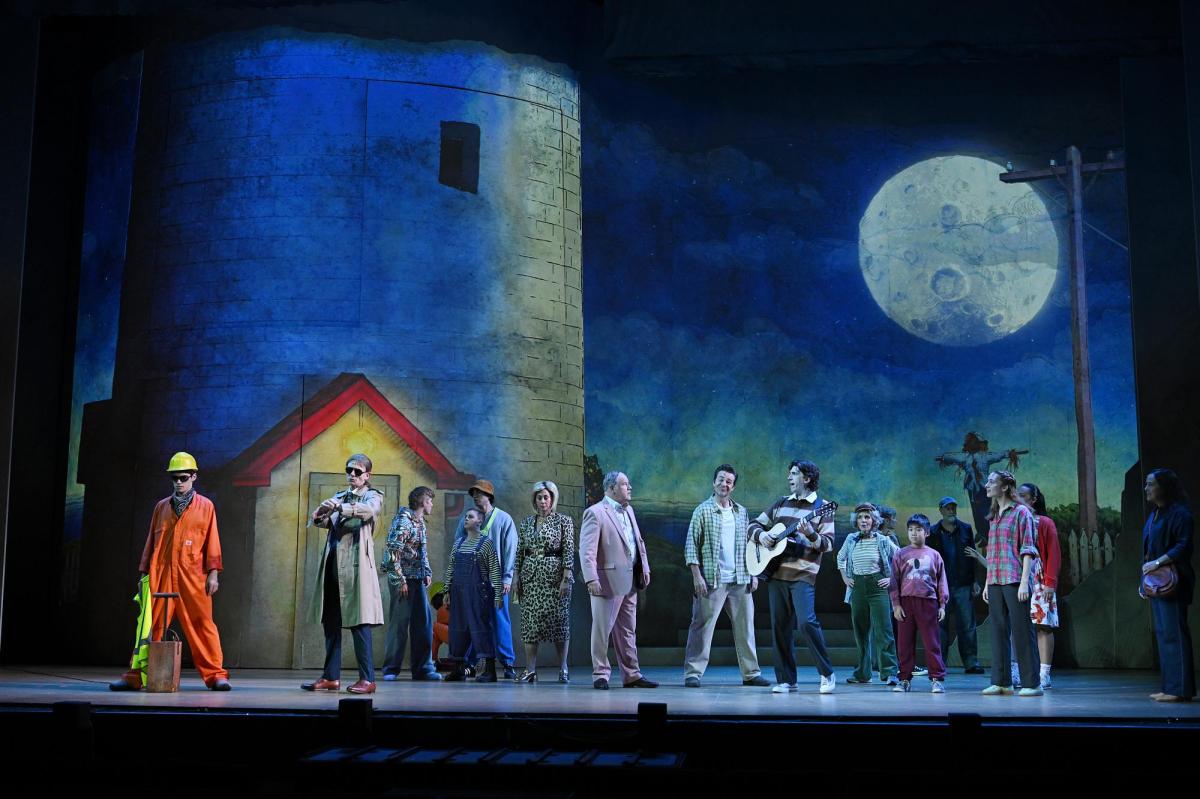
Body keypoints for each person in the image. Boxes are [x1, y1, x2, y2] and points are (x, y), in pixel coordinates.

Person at [110, 452, 231, 691]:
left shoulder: (206, 506)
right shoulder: (161, 507)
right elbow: (150, 542)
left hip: (193, 574)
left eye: (183, 477)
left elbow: (212, 541)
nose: (178, 482)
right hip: (161, 573)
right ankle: (136, 674)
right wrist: (144, 572)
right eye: (174, 478)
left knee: (201, 624)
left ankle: (215, 675)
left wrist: (213, 573)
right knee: (149, 625)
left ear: (194, 477)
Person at [747, 459, 837, 694]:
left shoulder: (822, 507)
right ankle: (787, 679)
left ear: (807, 479)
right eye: (789, 473)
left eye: (794, 474)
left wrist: (810, 534)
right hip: (776, 573)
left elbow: (827, 545)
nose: (789, 478)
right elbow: (753, 525)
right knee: (780, 627)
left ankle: (827, 673)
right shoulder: (780, 504)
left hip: (803, 574)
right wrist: (761, 537)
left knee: (806, 622)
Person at [302, 454, 386, 694]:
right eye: (349, 470)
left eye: (357, 472)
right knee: (331, 620)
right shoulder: (339, 496)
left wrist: (341, 507)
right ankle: (330, 677)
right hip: (334, 563)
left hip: (357, 567)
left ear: (367, 475)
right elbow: (324, 522)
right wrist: (320, 515)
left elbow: (368, 512)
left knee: (360, 622)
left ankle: (367, 679)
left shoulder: (373, 496)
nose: (352, 475)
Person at [682, 464, 768, 688]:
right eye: (721, 479)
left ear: (733, 486)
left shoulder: (741, 512)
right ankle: (693, 672)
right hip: (713, 579)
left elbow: (749, 545)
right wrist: (696, 576)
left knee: (746, 627)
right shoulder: (702, 510)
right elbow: (692, 545)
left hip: (740, 579)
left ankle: (751, 673)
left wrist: (753, 573)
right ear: (714, 482)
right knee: (701, 626)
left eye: (729, 481)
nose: (724, 484)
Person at [579, 471, 657, 689]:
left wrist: (645, 568)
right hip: (606, 581)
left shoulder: (629, 510)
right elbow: (587, 551)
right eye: (625, 484)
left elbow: (637, 542)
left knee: (627, 630)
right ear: (611, 488)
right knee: (603, 629)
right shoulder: (595, 513)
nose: (629, 487)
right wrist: (591, 579)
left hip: (630, 580)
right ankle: (600, 674)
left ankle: (632, 674)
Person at [979, 470, 1041, 696]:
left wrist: (1025, 582)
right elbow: (994, 553)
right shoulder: (994, 515)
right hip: (995, 579)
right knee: (998, 631)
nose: (987, 485)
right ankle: (1001, 681)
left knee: (1023, 631)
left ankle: (1032, 683)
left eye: (992, 482)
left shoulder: (1021, 512)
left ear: (1005, 487)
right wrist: (987, 582)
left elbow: (1028, 549)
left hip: (1015, 579)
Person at [454, 479, 518, 679]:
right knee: (474, 623)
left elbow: (510, 550)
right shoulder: (468, 518)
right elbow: (458, 545)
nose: (475, 496)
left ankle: (508, 664)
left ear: (489, 496)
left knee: (500, 621)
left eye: (479, 493)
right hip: (473, 582)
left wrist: (507, 578)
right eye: (473, 493)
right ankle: (471, 663)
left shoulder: (503, 519)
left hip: (496, 581)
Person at [1141, 468, 1195, 702]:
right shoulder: (1155, 515)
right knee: (1164, 634)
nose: (1147, 489)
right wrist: (1144, 581)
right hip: (1157, 583)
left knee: (1175, 634)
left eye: (1151, 484)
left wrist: (1158, 562)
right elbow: (1148, 552)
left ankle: (1180, 688)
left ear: (1164, 487)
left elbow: (1183, 545)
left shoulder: (1180, 513)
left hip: (1174, 580)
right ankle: (1169, 686)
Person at [514, 480, 576, 684]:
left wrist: (566, 579)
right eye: (539, 497)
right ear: (534, 500)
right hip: (530, 578)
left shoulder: (563, 521)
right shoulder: (525, 523)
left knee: (560, 623)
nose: (542, 501)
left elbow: (568, 551)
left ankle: (563, 667)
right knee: (530, 624)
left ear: (552, 499)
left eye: (546, 497)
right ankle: (530, 670)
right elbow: (519, 551)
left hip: (555, 578)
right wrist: (516, 576)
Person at [380, 486, 443, 682]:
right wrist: (400, 580)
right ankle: (391, 668)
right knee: (399, 624)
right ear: (423, 502)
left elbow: (421, 551)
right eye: (430, 501)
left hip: (416, 579)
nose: (432, 504)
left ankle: (423, 669)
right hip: (403, 580)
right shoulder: (403, 522)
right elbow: (393, 554)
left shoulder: (420, 523)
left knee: (423, 624)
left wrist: (427, 572)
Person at [837, 503, 900, 686]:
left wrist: (891, 579)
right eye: (860, 517)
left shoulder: (882, 540)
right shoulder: (851, 539)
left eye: (867, 517)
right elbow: (841, 558)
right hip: (857, 587)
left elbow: (900, 559)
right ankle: (862, 673)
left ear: (874, 520)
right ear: (855, 521)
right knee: (861, 631)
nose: (863, 520)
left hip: (877, 587)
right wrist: (845, 577)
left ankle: (889, 672)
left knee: (884, 631)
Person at [443, 508, 504, 682]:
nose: (466, 519)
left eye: (470, 516)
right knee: (457, 630)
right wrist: (446, 590)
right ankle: (458, 670)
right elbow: (451, 568)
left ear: (480, 521)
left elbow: (494, 569)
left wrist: (498, 595)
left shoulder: (486, 543)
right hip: (458, 593)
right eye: (465, 516)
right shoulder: (458, 543)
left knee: (481, 630)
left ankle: (490, 671)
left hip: (478, 594)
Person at [890, 514, 949, 693]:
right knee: (904, 643)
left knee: (932, 642)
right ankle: (904, 679)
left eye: (918, 530)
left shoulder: (934, 555)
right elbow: (894, 581)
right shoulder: (900, 554)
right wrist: (896, 605)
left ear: (927, 532)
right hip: (906, 603)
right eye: (910, 530)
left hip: (928, 602)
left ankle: (937, 678)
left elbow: (941, 581)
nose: (914, 533)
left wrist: (942, 605)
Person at [927, 496, 985, 673]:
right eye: (947, 508)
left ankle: (971, 662)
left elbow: (972, 555)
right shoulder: (933, 532)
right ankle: (940, 662)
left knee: (967, 625)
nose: (951, 510)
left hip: (963, 584)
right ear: (941, 510)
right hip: (941, 586)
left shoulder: (965, 529)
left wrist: (975, 580)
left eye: (953, 507)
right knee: (940, 626)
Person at [1017, 483, 1061, 690]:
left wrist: (1050, 584)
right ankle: (1018, 670)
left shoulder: (1044, 522)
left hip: (1040, 579)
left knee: (1043, 626)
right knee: (1018, 626)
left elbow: (1054, 554)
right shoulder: (1014, 520)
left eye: (1023, 496)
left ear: (1033, 499)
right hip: (1018, 577)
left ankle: (1044, 673)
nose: (1019, 498)